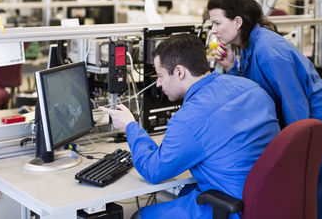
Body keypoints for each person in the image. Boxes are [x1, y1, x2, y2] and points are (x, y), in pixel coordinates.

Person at [208, 0, 322, 219]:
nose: (213, 31)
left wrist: (290, 153)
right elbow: (256, 94)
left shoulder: (270, 51)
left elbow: (296, 110)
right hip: (310, 124)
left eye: (216, 23)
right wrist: (232, 66)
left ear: (237, 21)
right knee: (314, 203)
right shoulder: (248, 47)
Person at [101, 33, 280, 218]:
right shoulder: (253, 89)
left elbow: (153, 171)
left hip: (235, 208)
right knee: (186, 191)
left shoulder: (188, 120)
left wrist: (130, 126)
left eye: (161, 75)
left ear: (180, 72)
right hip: (270, 200)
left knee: (140, 215)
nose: (158, 83)